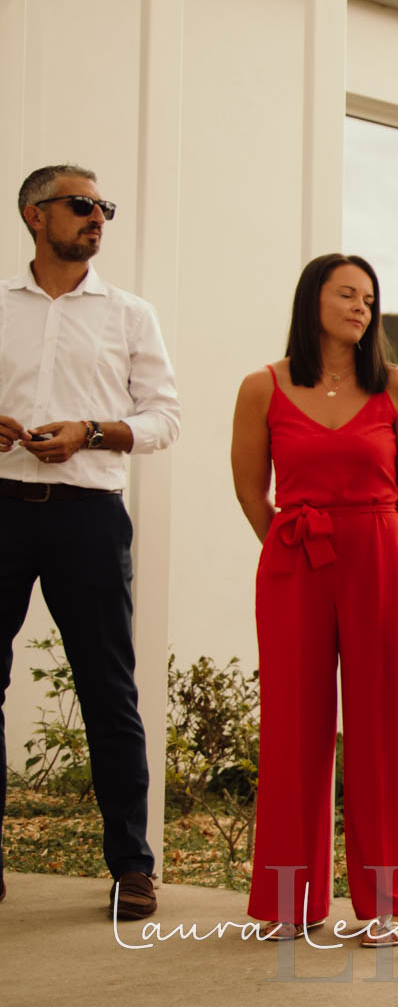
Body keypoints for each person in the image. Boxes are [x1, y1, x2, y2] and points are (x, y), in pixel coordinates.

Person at [230, 254, 398, 943]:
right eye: (346, 294)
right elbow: (251, 490)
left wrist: (374, 540)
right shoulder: (262, 386)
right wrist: (292, 548)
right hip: (295, 557)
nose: (360, 308)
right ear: (312, 299)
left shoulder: (397, 386)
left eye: (369, 299)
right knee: (292, 728)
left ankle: (388, 905)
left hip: (377, 555)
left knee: (382, 730)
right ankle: (293, 900)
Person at [1, 164, 180, 917]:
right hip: (2, 508)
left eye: (103, 206)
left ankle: (132, 867)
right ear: (35, 215)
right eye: (81, 204)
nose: (97, 216)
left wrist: (92, 432)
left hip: (90, 515)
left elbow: (164, 417)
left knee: (109, 689)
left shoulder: (130, 314)